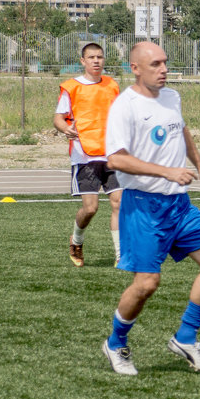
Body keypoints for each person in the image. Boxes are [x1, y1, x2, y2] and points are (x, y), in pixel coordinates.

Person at [100, 41, 200, 376]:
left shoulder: (172, 97)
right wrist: (167, 171)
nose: (163, 69)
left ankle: (186, 337)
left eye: (165, 63)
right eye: (155, 64)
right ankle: (115, 343)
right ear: (136, 68)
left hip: (179, 205)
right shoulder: (124, 106)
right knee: (147, 284)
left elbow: (181, 131)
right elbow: (115, 159)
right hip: (143, 207)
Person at [53, 43, 122, 267]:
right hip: (85, 155)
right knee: (91, 208)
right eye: (91, 57)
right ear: (82, 61)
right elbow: (59, 118)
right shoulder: (71, 87)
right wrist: (66, 128)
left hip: (111, 154)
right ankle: (76, 240)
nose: (96, 61)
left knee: (119, 203)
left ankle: (122, 255)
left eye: (100, 57)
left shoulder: (112, 85)